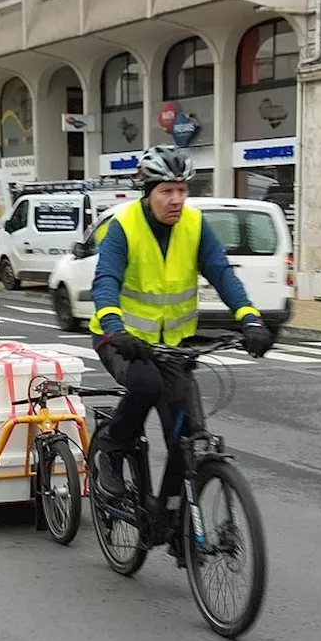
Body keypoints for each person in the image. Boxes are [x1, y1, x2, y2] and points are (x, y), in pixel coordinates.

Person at [91, 145, 274, 497]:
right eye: (166, 191)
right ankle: (112, 449)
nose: (176, 199)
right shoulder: (123, 226)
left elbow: (221, 273)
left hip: (172, 345)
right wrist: (115, 328)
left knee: (186, 436)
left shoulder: (194, 225)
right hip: (121, 340)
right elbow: (106, 281)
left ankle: (176, 529)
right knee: (146, 385)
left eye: (182, 190)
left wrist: (250, 319)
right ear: (148, 193)